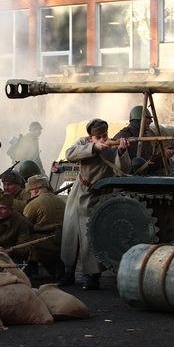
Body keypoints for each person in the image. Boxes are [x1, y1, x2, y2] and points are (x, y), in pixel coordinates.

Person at [60, 118, 130, 290]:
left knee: (89, 235)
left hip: (97, 195)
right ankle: (67, 271)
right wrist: (93, 148)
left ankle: (91, 275)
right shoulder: (84, 143)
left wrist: (121, 152)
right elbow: (70, 154)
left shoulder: (112, 147)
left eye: (105, 136)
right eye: (98, 137)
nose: (103, 139)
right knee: (70, 233)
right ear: (90, 138)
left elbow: (124, 170)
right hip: (79, 191)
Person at [22, 175, 66, 280]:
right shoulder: (62, 202)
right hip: (62, 244)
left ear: (36, 191)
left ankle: (31, 266)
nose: (30, 194)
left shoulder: (33, 204)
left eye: (30, 192)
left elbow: (24, 226)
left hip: (42, 245)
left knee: (22, 236)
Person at [113, 105, 174, 174]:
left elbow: (149, 164)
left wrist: (163, 157)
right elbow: (118, 167)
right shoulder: (122, 136)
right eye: (148, 118)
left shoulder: (145, 136)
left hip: (144, 177)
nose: (151, 121)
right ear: (139, 119)